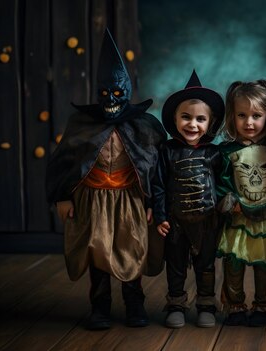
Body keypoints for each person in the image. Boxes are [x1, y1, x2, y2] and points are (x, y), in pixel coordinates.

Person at [45, 29, 166, 330]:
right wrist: (62, 196)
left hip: (130, 198)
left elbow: (154, 167)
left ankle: (134, 303)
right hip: (92, 197)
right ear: (98, 93)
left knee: (132, 250)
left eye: (117, 93)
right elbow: (63, 161)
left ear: (126, 93)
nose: (110, 99)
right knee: (95, 250)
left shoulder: (144, 126)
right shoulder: (81, 123)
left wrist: (152, 201)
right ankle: (100, 306)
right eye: (105, 94)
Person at [151, 70, 224, 328]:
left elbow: (224, 184)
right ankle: (176, 304)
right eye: (186, 117)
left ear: (210, 122)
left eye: (200, 119)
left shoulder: (214, 153)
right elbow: (158, 185)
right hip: (175, 221)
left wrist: (227, 206)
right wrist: (160, 216)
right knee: (176, 265)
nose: (192, 124)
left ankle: (206, 304)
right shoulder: (167, 151)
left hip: (207, 222)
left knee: (206, 266)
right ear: (175, 119)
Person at [216, 80, 266, 327]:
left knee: (265, 264)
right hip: (238, 216)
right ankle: (235, 305)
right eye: (242, 115)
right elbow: (221, 180)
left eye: (256, 115)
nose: (249, 122)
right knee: (234, 262)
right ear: (232, 116)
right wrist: (227, 199)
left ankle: (263, 305)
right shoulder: (226, 151)